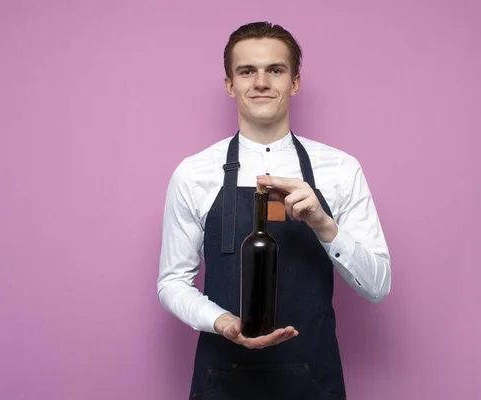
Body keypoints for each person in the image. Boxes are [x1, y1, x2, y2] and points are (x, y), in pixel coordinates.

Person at [157, 21, 391, 400]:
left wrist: (324, 225)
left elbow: (378, 286)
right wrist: (223, 322)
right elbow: (172, 282)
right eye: (247, 70)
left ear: (295, 82)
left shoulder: (341, 168)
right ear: (230, 84)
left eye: (275, 70)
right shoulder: (193, 172)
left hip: (312, 378)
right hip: (222, 378)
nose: (261, 82)